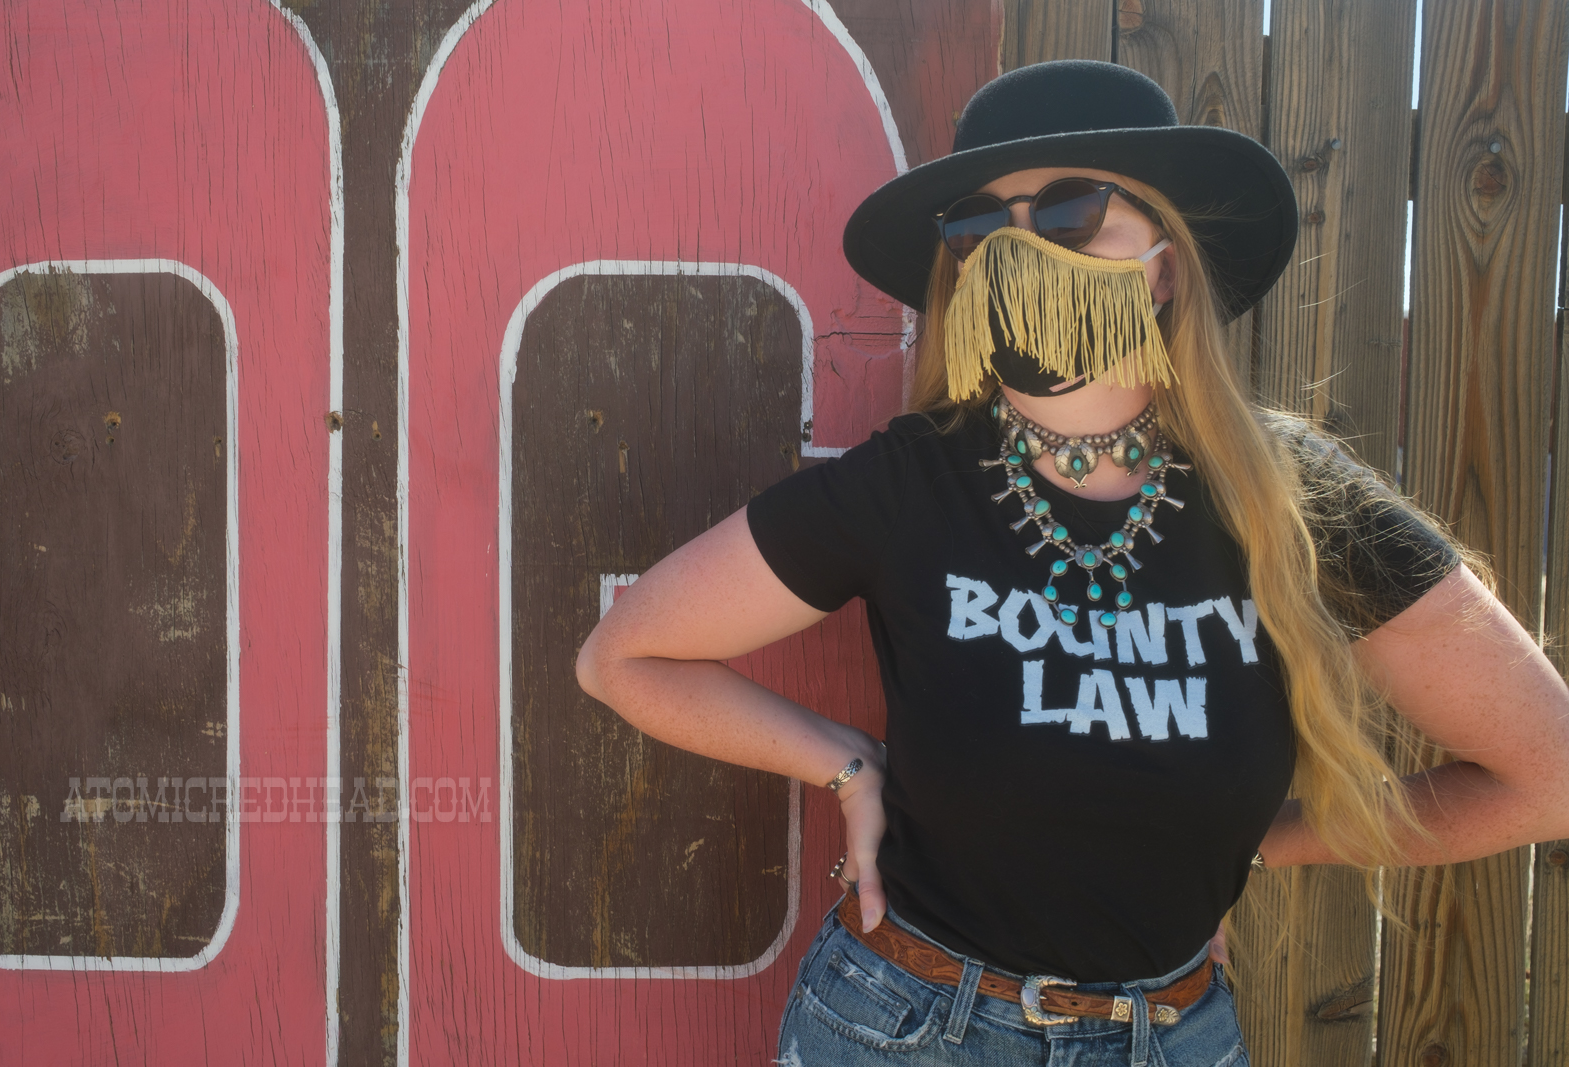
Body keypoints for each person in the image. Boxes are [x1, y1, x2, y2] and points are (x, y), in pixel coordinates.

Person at [575, 60, 1569, 1066]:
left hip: (1173, 1036)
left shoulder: (1292, 498)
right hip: (907, 1027)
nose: (1016, 251)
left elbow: (1547, 772)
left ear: (1166, 263)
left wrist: (1248, 838)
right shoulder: (909, 483)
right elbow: (626, 655)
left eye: (1071, 212)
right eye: (977, 226)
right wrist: (842, 762)